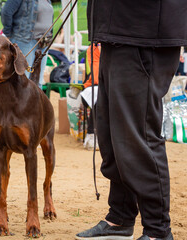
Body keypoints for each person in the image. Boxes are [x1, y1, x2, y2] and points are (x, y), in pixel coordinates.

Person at [76, 1, 187, 240]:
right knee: (112, 136)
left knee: (138, 139)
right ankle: (120, 217)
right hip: (115, 35)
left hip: (144, 35)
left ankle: (158, 231)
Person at [1, 0, 53, 89]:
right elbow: (6, 12)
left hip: (43, 43)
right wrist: (8, 33)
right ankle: (19, 102)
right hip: (24, 40)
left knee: (38, 80)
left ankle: (35, 102)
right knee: (22, 79)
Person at [81, 43, 100, 151]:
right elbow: (97, 77)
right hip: (91, 88)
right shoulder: (93, 48)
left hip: (111, 86)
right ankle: (91, 134)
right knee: (100, 96)